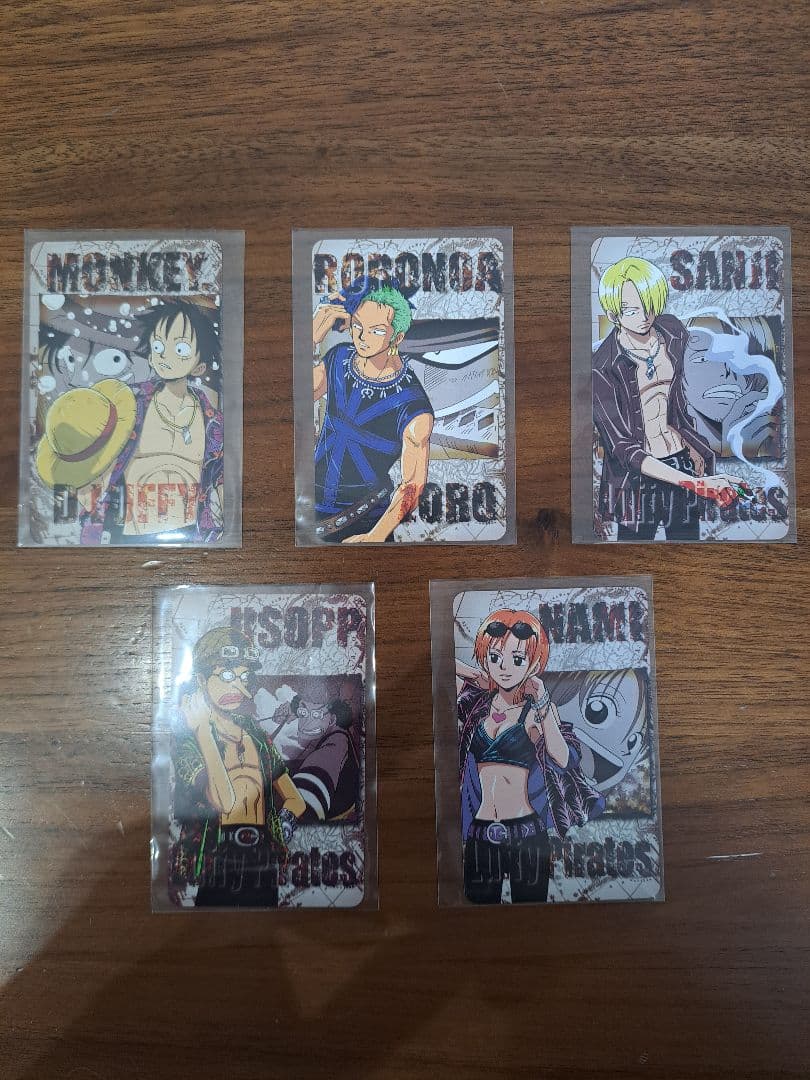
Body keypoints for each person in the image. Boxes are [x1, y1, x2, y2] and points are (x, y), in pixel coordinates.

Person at [592, 256, 747, 540]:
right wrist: (696, 484)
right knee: (634, 554)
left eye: (649, 305)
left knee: (688, 550)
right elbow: (623, 448)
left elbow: (683, 397)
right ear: (613, 314)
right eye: (631, 310)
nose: (644, 316)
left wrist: (697, 461)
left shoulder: (673, 332)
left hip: (682, 460)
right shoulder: (602, 368)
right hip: (636, 481)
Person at [456, 610, 604, 904]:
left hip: (527, 834)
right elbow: (442, 666)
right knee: (476, 918)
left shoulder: (536, 711)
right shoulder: (477, 705)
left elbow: (562, 758)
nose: (505, 668)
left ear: (534, 663)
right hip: (480, 832)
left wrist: (541, 697)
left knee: (532, 915)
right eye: (495, 657)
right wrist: (480, 677)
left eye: (517, 659)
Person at [171, 627, 306, 908]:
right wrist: (203, 732)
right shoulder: (189, 741)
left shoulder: (255, 733)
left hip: (263, 858)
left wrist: (280, 830)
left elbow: (295, 799)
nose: (238, 687)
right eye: (226, 676)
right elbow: (224, 801)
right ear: (201, 679)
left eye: (243, 677)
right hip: (217, 859)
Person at [78, 299, 224, 544]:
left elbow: (219, 474)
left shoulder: (213, 423)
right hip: (127, 536)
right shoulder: (128, 403)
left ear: (199, 366)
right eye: (158, 346)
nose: (165, 355)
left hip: (192, 536)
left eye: (180, 349)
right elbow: (96, 452)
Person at [312, 277, 434, 542]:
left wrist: (375, 536)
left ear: (397, 337)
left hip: (365, 521)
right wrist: (310, 338)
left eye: (376, 331)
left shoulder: (414, 406)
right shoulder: (338, 358)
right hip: (308, 517)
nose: (362, 337)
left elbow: (412, 486)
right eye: (357, 325)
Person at [291, 699, 361, 823]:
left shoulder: (337, 743)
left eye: (316, 715)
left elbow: (308, 800)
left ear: (332, 720)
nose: (305, 722)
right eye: (303, 713)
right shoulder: (340, 739)